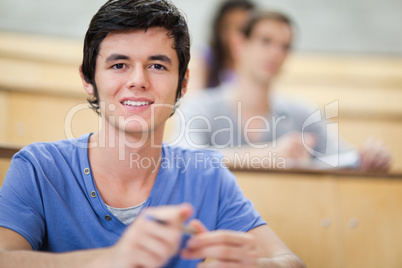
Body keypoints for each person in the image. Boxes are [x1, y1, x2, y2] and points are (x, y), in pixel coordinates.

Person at [0, 1, 306, 267]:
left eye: (157, 66)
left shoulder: (208, 177)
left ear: (183, 83)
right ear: (88, 78)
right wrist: (112, 260)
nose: (138, 80)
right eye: (119, 64)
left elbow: (290, 261)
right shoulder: (38, 169)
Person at [171, 10, 392, 172]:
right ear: (239, 44)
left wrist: (366, 159)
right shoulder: (201, 107)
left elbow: (341, 157)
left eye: (284, 46)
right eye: (265, 41)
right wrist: (266, 155)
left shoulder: (303, 113)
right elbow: (184, 156)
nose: (275, 53)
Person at [188, 0, 255, 90]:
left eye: (242, 29)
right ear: (218, 29)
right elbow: (192, 97)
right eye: (227, 27)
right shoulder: (204, 58)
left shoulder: (262, 63)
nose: (233, 35)